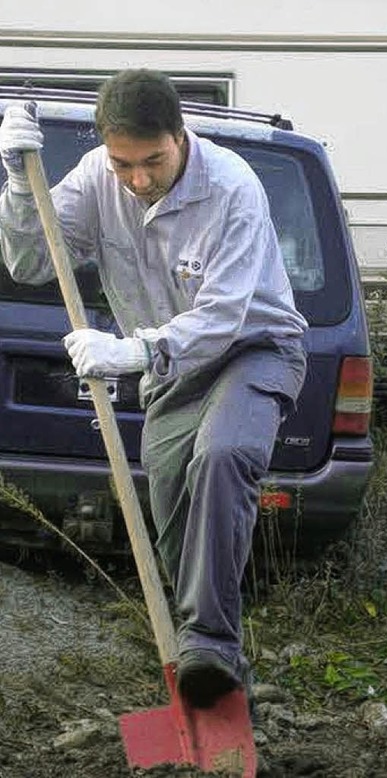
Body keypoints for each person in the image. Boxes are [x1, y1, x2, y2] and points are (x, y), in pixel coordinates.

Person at [0, 69, 308, 705]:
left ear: (180, 134)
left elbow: (224, 317)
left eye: (152, 161)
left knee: (223, 456)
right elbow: (31, 261)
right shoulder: (95, 176)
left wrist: (130, 350)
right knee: (170, 515)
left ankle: (213, 648)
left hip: (255, 350)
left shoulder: (232, 188)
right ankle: (208, 656)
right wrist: (17, 185)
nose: (138, 180)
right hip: (173, 372)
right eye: (123, 164)